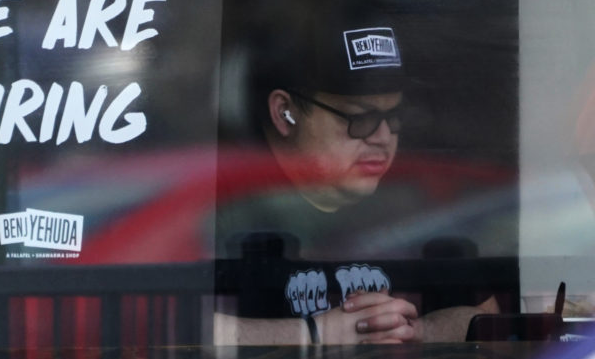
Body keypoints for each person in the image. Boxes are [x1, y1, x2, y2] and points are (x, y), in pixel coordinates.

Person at [214, 23, 499, 344]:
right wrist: (313, 333)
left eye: (395, 117)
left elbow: (488, 316)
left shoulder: (417, 210)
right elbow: (177, 326)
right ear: (285, 113)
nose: (383, 137)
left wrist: (416, 330)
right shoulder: (224, 210)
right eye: (359, 119)